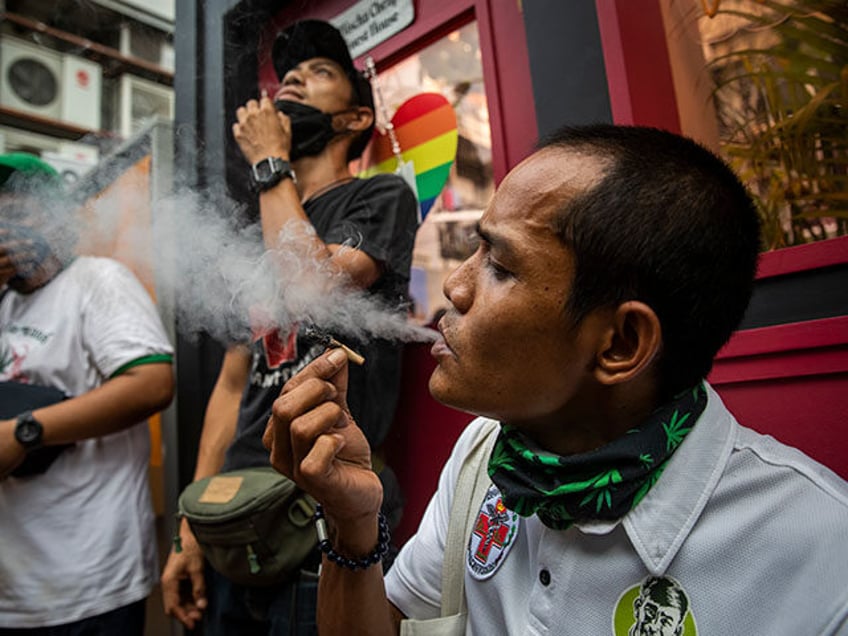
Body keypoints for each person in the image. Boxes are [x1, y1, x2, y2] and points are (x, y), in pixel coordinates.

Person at [263, 124, 848, 634]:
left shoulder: (821, 553)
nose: (455, 287)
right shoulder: (483, 455)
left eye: (500, 265)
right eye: (475, 249)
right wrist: (352, 524)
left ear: (619, 344)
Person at [160, 19, 418, 634]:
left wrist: (269, 161)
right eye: (290, 75)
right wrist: (188, 529)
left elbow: (310, 284)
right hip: (238, 510)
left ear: (356, 120)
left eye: (320, 73)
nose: (294, 81)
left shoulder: (379, 197)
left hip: (321, 506)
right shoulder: (262, 229)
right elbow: (230, 386)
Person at [0, 152, 175, 634]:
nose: (2, 224)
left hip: (85, 579)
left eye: (17, 211)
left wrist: (24, 432)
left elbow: (152, 383)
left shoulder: (96, 281)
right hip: (12, 587)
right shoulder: (4, 302)